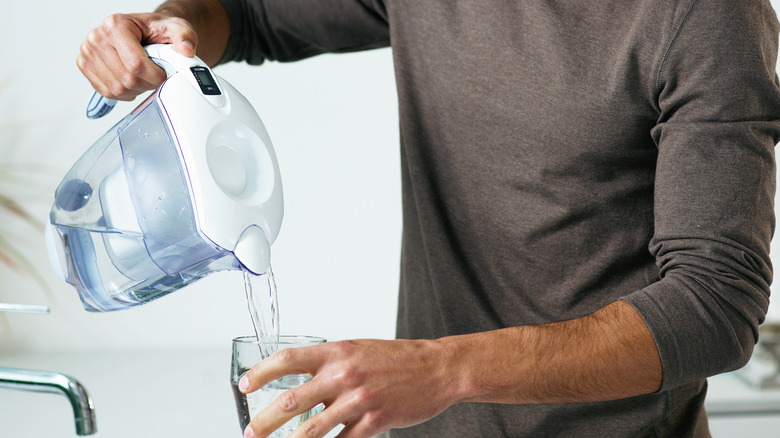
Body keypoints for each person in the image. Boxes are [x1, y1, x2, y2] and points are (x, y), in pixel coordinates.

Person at [77, 1, 780, 437]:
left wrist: (442, 370)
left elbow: (713, 305)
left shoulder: (706, 15)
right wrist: (174, 25)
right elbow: (250, 12)